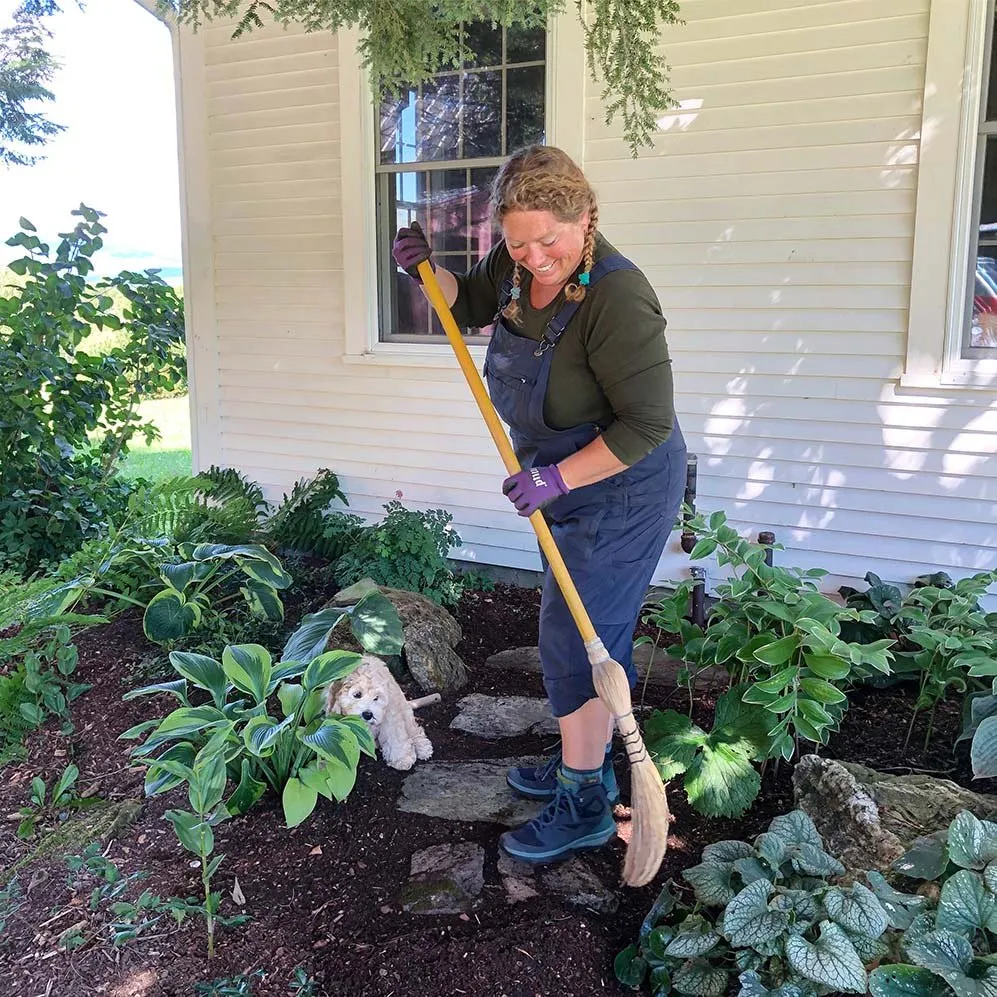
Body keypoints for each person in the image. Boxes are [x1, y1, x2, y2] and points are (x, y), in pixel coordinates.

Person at [392, 144, 686, 865]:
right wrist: (428, 274)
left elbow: (645, 426)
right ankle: (579, 763)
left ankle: (585, 799)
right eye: (516, 243)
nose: (533, 257)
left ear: (584, 217)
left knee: (574, 636)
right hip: (564, 478)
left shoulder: (618, 296)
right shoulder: (516, 265)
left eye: (547, 240)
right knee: (573, 628)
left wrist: (557, 480)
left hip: (620, 483)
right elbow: (474, 306)